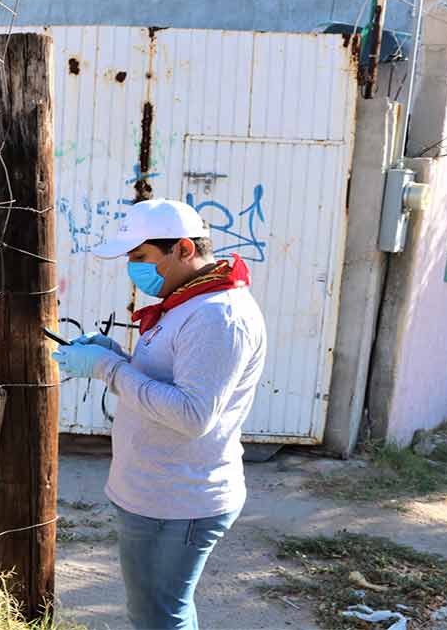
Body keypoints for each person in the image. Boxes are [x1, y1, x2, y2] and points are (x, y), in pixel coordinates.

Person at [50, 199, 267, 630]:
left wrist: (109, 368)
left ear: (184, 248)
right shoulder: (187, 301)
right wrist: (114, 354)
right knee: (159, 612)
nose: (133, 269)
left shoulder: (217, 317)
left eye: (141, 257)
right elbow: (166, 376)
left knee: (159, 616)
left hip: (181, 499)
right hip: (156, 491)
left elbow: (191, 414)